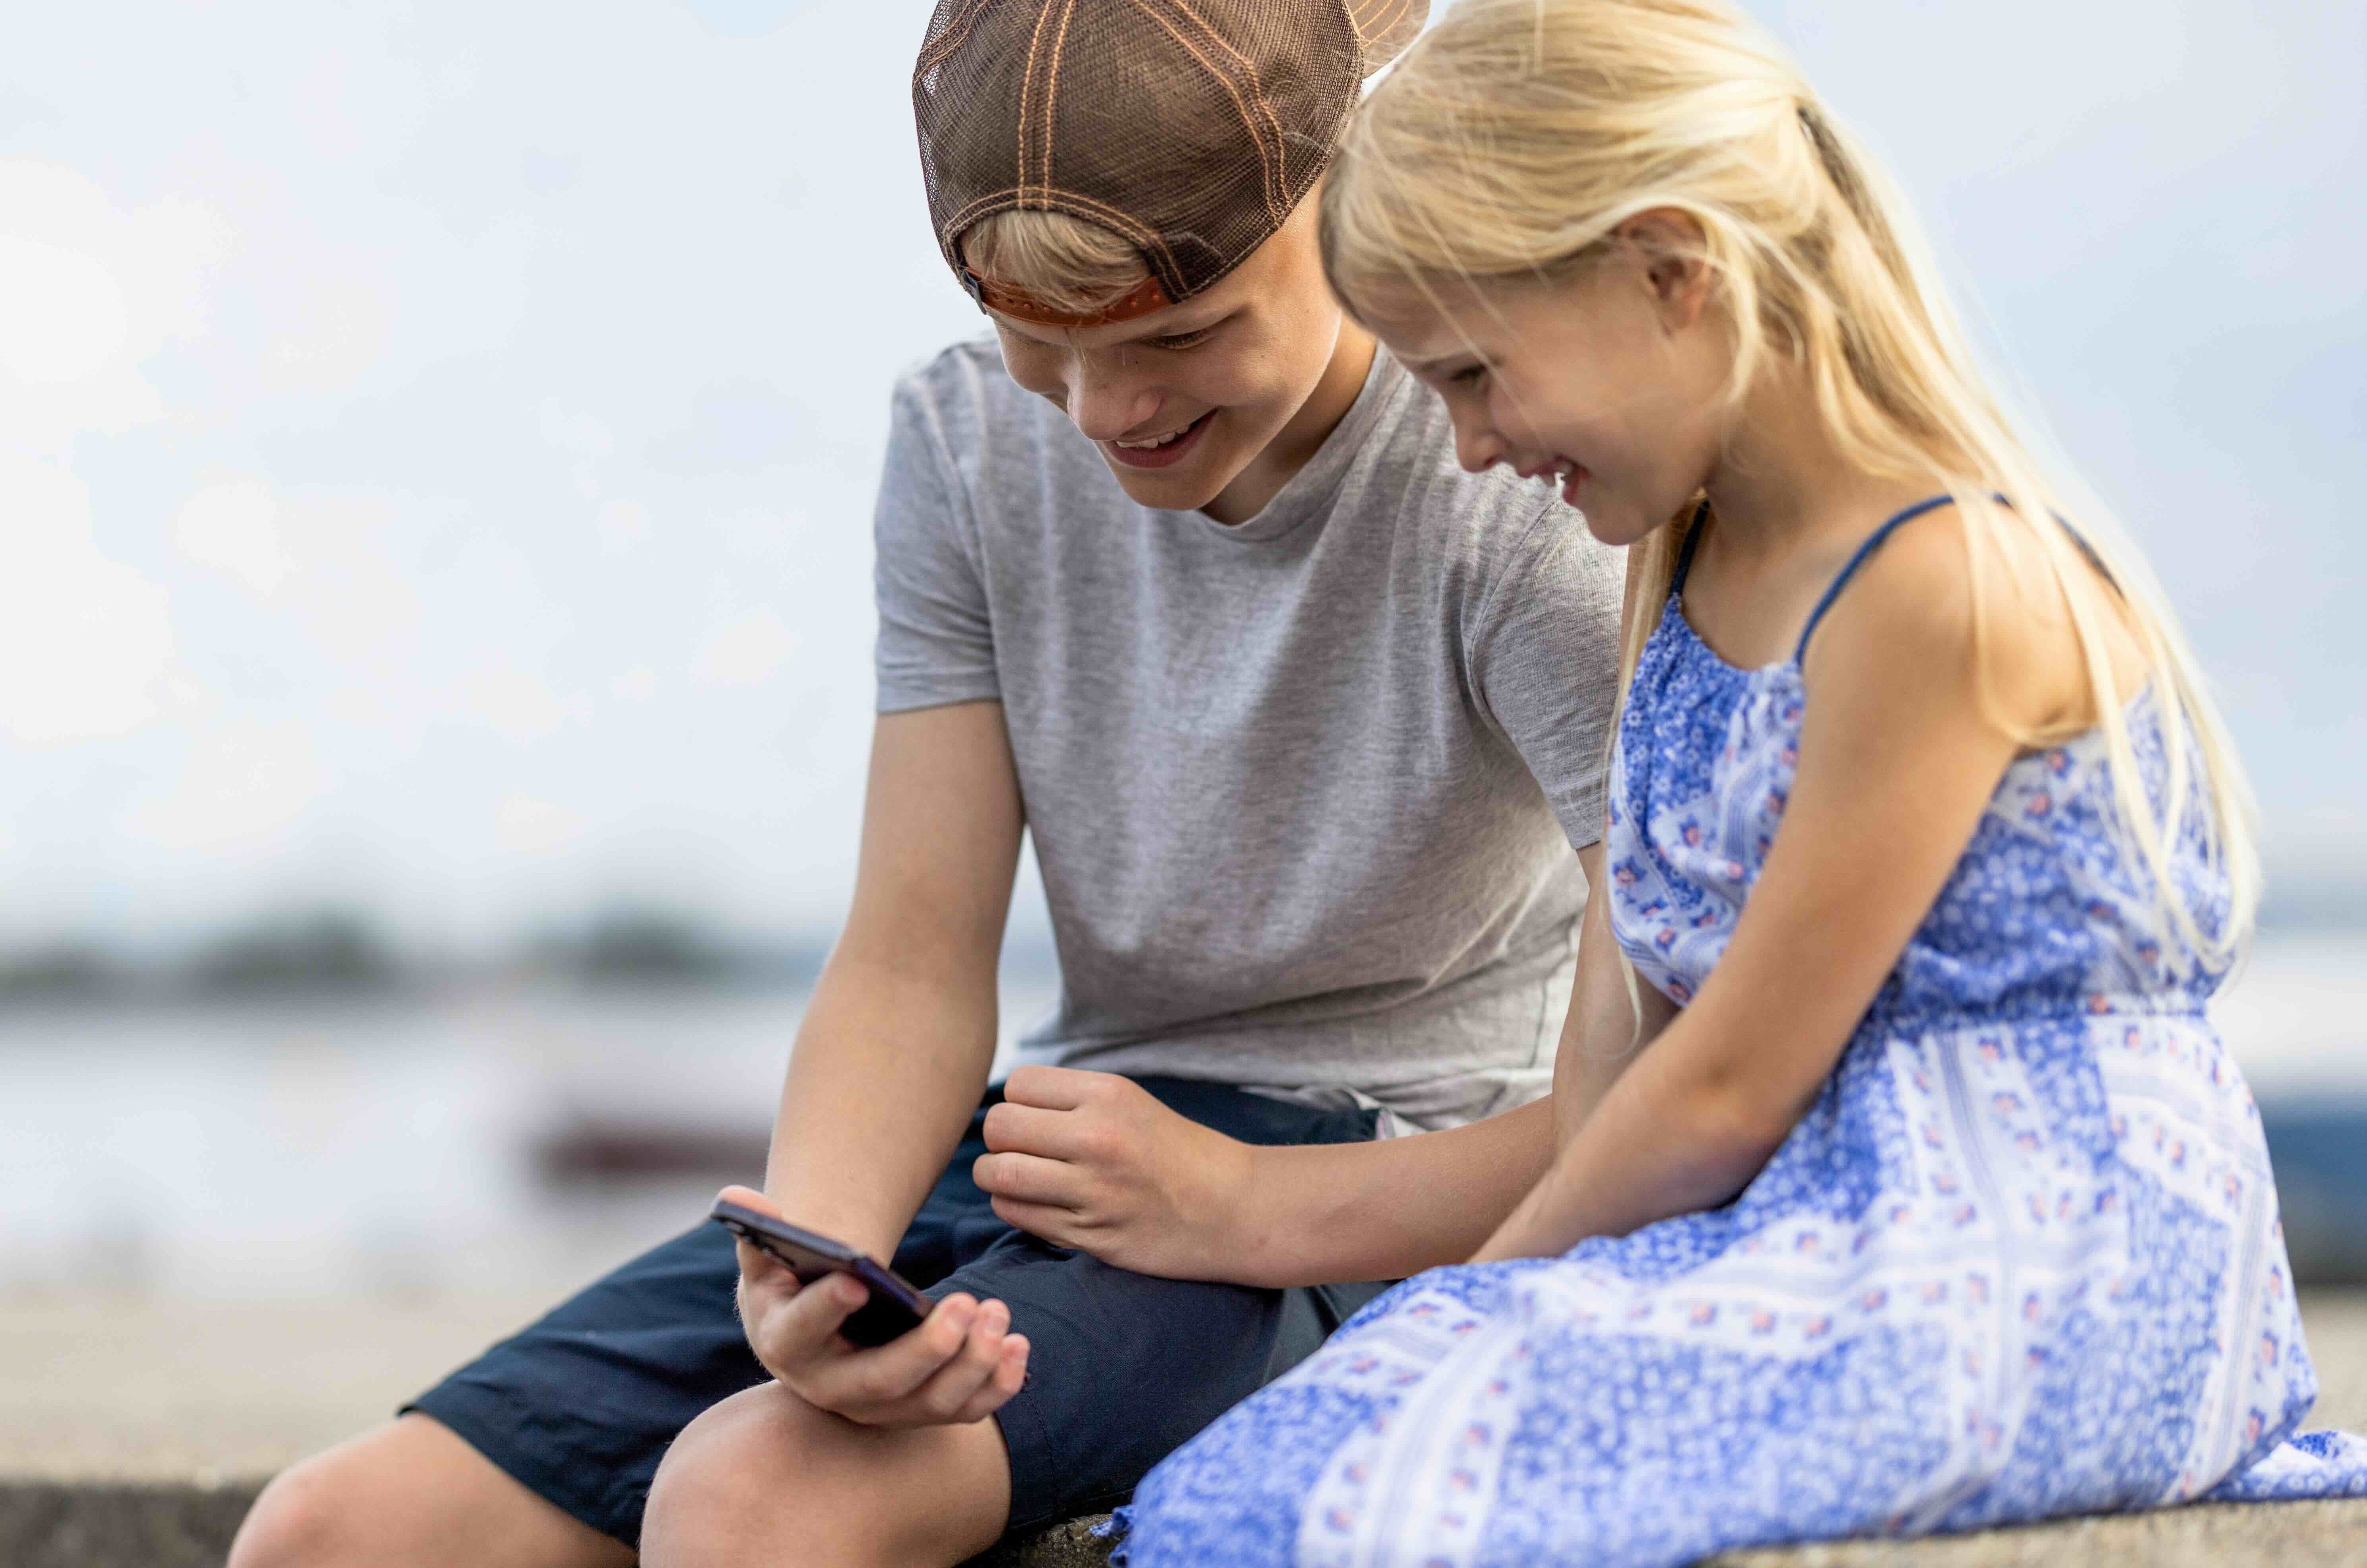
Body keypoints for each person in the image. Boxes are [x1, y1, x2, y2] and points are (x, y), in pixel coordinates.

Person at [226, 2, 1637, 1564]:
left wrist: (1239, 1203)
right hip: (1066, 1148)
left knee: (752, 1500)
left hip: (1373, 1199)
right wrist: (816, 1261)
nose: (1105, 416)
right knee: (332, 1532)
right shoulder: (968, 443)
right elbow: (908, 951)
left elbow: (1671, 1083)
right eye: (1042, 343)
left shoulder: (1511, 489)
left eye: (1177, 335)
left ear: (1351, 198)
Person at [1108, 2, 2367, 1563]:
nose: (1468, 444)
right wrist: (1459, 1320)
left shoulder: (1939, 581)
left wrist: (1468, 1308)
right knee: (1249, 1480)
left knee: (1388, 1476)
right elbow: (1612, 1080)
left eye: (1475, 374)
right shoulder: (1672, 579)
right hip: (1821, 1241)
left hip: (2045, 1266)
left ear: (1664, 267)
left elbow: (1721, 1088)